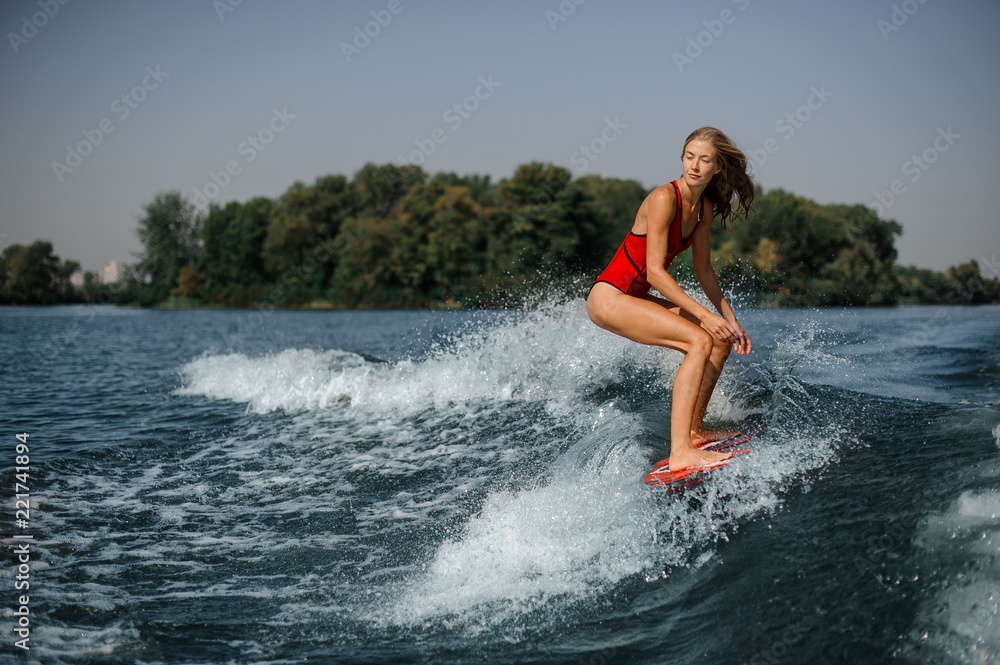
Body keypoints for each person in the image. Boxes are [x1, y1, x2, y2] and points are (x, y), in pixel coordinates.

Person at [587, 126, 755, 472]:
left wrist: (728, 318)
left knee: (719, 341)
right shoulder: (664, 198)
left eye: (704, 159)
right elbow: (655, 273)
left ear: (717, 168)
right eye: (689, 156)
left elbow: (704, 270)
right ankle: (681, 452)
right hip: (609, 297)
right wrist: (704, 317)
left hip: (633, 296)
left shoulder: (703, 208)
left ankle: (693, 432)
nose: (694, 165)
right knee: (698, 339)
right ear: (681, 158)